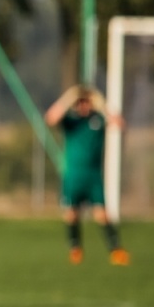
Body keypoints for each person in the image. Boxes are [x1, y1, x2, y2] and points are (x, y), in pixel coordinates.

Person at [44, 84, 128, 265]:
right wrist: (68, 97)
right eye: (80, 102)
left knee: (102, 214)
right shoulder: (71, 121)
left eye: (86, 101)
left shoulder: (98, 119)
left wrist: (101, 103)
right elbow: (50, 118)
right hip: (73, 175)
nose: (84, 105)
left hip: (93, 175)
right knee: (71, 214)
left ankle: (116, 250)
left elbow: (120, 124)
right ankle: (75, 249)